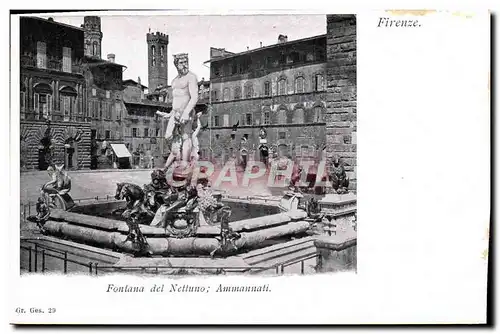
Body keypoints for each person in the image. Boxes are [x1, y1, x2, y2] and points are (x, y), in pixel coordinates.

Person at [161, 53, 199, 163]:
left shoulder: (191, 77)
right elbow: (176, 99)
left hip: (187, 112)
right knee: (167, 136)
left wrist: (187, 112)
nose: (184, 65)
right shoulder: (174, 81)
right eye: (181, 63)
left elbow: (194, 97)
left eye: (186, 62)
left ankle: (184, 163)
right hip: (175, 113)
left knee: (186, 137)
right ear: (176, 65)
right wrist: (170, 113)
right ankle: (176, 154)